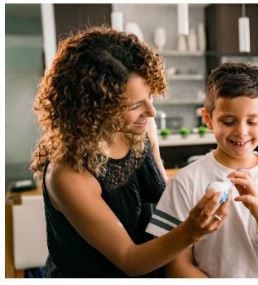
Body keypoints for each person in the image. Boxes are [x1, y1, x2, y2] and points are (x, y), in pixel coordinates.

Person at [30, 26, 229, 277]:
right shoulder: (69, 174)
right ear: (96, 109)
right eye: (136, 105)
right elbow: (129, 259)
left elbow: (162, 198)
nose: (151, 112)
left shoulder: (140, 130)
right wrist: (191, 230)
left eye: (150, 97)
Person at [146, 62, 258, 277]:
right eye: (228, 121)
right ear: (208, 119)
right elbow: (178, 267)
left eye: (252, 121)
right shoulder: (185, 182)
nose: (241, 132)